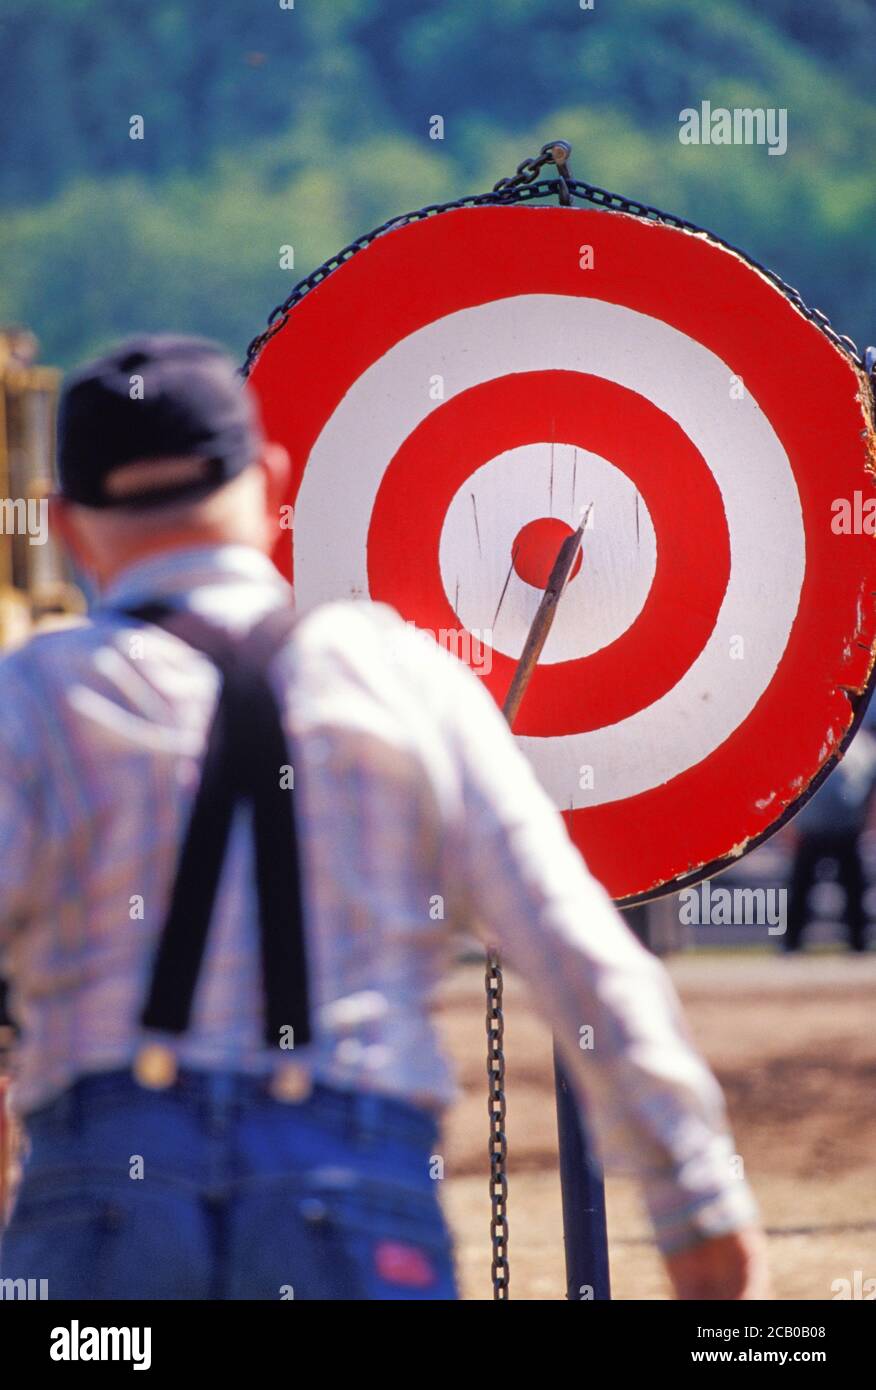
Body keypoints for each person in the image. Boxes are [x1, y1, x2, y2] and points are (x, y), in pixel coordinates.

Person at [0, 335, 767, 1300]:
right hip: (351, 1192)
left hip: (101, 1206)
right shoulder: (408, 683)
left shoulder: (27, 703)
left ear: (67, 525)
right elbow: (581, 957)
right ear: (271, 481)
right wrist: (697, 1205)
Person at [784, 726, 876, 952]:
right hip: (813, 829)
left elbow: (871, 790)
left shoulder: (863, 743)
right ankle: (791, 943)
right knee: (800, 891)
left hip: (844, 830)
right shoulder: (810, 733)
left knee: (853, 891)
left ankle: (858, 944)